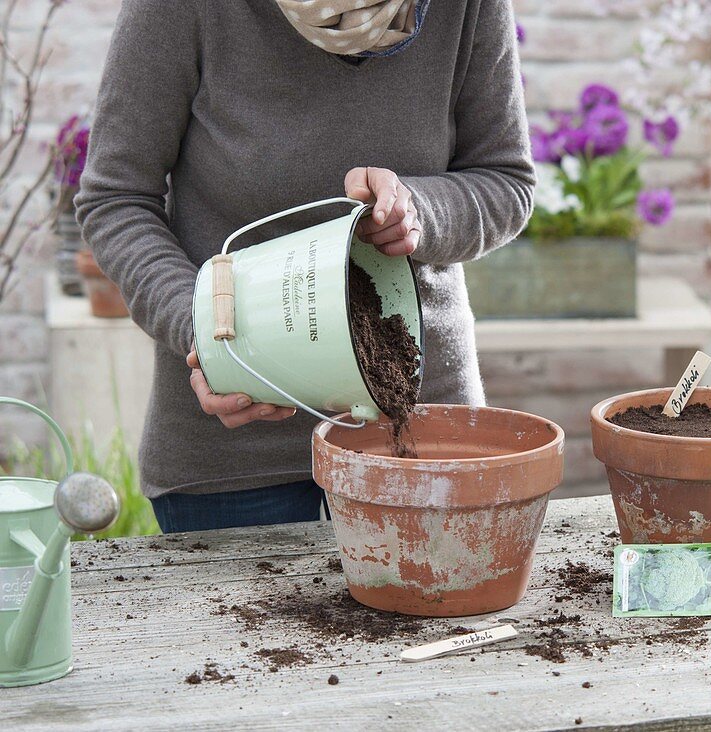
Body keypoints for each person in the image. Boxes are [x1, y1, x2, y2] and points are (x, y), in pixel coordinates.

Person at [75, 0, 534, 533]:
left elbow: (505, 179)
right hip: (237, 451)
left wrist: (417, 211)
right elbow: (116, 198)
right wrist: (203, 330)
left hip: (415, 418)